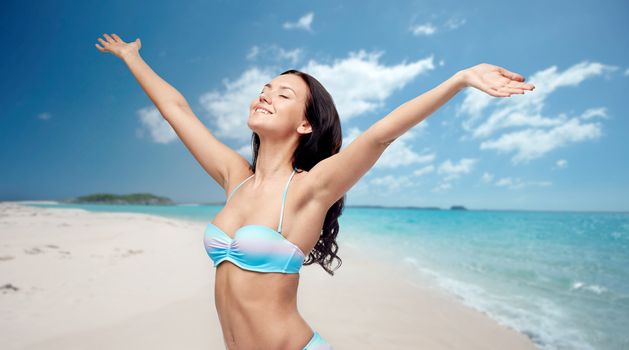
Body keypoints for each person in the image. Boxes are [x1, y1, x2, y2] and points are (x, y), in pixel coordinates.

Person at [95, 33, 535, 350]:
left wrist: (459, 80)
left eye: (282, 94)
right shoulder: (235, 177)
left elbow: (380, 135)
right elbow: (177, 111)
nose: (264, 95)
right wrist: (131, 57)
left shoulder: (311, 189)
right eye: (264, 88)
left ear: (305, 124)